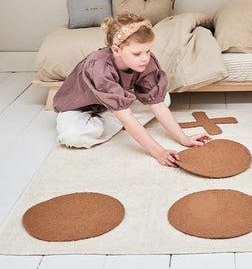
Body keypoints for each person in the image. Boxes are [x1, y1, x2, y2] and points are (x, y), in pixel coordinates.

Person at [53, 13, 210, 167]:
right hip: (79, 109)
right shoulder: (99, 67)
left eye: (148, 51)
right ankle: (119, 121)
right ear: (116, 50)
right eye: (137, 53)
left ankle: (117, 120)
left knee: (163, 99)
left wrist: (184, 138)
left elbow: (157, 104)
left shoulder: (145, 62)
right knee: (73, 137)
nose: (145, 58)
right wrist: (159, 152)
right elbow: (127, 118)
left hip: (112, 105)